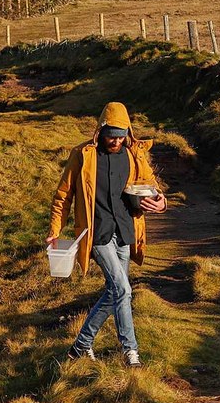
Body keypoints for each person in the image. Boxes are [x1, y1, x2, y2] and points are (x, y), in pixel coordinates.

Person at [47, 101, 167, 367]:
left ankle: (83, 347)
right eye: (111, 134)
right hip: (97, 233)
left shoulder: (134, 154)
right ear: (100, 130)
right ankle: (129, 351)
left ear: (128, 132)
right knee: (122, 288)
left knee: (117, 292)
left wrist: (160, 201)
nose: (116, 140)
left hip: (126, 229)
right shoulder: (83, 155)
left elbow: (152, 187)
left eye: (120, 135)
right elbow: (63, 196)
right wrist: (54, 231)